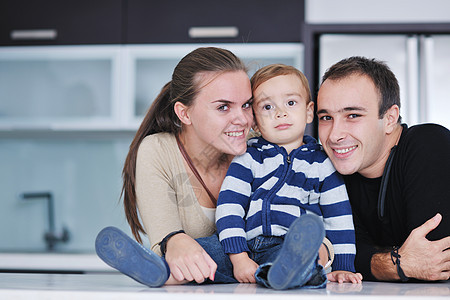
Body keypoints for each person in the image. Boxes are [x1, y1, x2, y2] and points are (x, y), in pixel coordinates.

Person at [95, 47, 255, 287]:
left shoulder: (260, 151)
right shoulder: (157, 151)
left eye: (246, 105)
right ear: (184, 113)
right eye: (223, 107)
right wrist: (174, 241)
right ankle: (164, 270)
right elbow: (166, 235)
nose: (243, 119)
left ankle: (165, 272)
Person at [215, 64, 362, 290]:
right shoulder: (248, 158)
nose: (280, 113)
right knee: (202, 252)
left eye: (290, 103)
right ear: (254, 119)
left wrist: (344, 266)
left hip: (287, 246)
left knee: (294, 259)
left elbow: (339, 217)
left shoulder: (323, 164)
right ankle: (164, 270)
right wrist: (239, 257)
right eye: (267, 107)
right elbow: (229, 206)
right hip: (241, 246)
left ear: (309, 111)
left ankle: (288, 272)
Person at [316, 56, 450, 282]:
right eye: (326, 117)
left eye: (353, 115)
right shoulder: (326, 169)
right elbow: (336, 257)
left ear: (390, 118)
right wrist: (397, 264)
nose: (334, 135)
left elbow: (435, 261)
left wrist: (377, 260)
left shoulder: (428, 144)